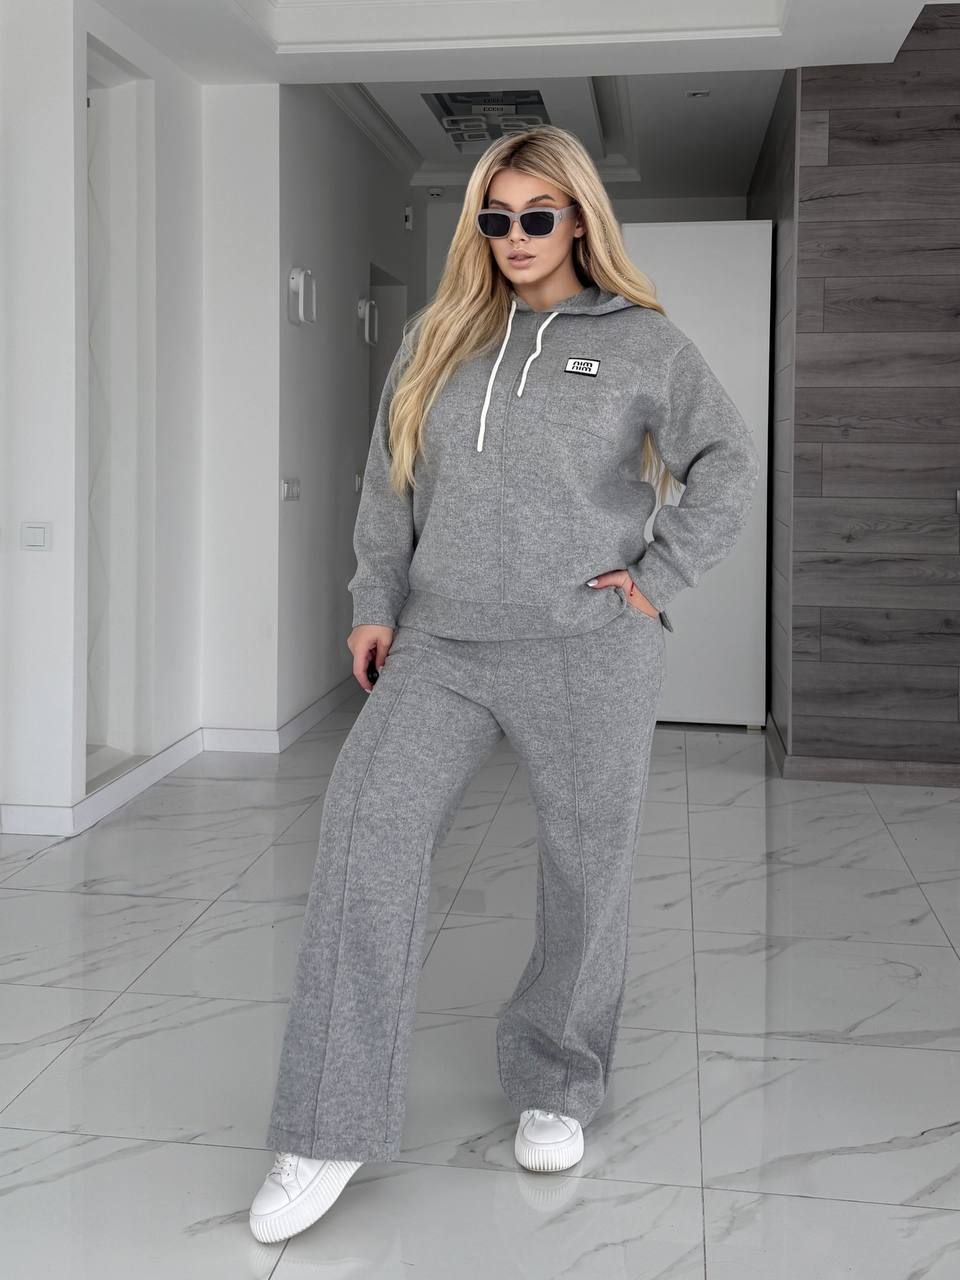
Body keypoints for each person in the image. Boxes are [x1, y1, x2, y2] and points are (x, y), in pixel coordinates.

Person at [249, 124, 761, 1244]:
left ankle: (556, 1080)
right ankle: (328, 1120)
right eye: (496, 217)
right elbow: (387, 481)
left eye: (537, 216)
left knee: (585, 867)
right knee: (365, 833)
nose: (516, 236)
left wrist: (653, 579)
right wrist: (375, 600)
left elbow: (726, 462)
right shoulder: (439, 336)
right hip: (440, 644)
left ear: (578, 220)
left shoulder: (641, 343)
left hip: (585, 647)